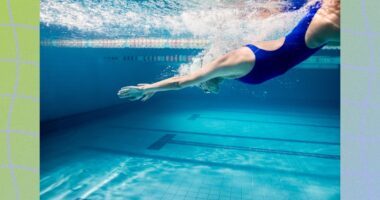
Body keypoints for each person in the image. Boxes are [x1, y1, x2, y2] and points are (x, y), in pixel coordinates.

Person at [118, 0, 340, 101]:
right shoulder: (231, 60)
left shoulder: (242, 74)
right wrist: (149, 87)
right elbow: (181, 82)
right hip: (320, 24)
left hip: (318, 38)